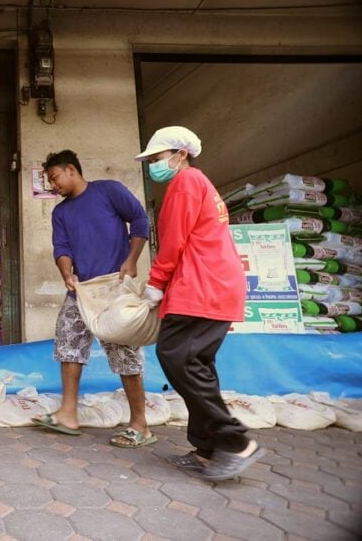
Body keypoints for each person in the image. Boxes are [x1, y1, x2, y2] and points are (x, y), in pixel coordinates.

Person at [135, 126, 264, 481]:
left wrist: (156, 282)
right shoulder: (199, 183)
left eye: (157, 158)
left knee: (177, 357)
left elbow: (174, 240)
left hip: (202, 287)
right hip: (213, 285)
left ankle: (234, 441)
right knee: (197, 365)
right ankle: (207, 450)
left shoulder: (186, 182)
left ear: (180, 154)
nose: (153, 167)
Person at [34, 149, 156, 448]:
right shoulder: (60, 212)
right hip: (81, 290)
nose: (53, 186)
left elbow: (140, 220)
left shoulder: (108, 191)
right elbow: (61, 248)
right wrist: (67, 274)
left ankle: (140, 424)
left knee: (124, 353)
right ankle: (68, 414)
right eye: (50, 181)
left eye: (55, 178)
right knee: (68, 342)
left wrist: (131, 259)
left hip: (115, 285)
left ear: (71, 170)